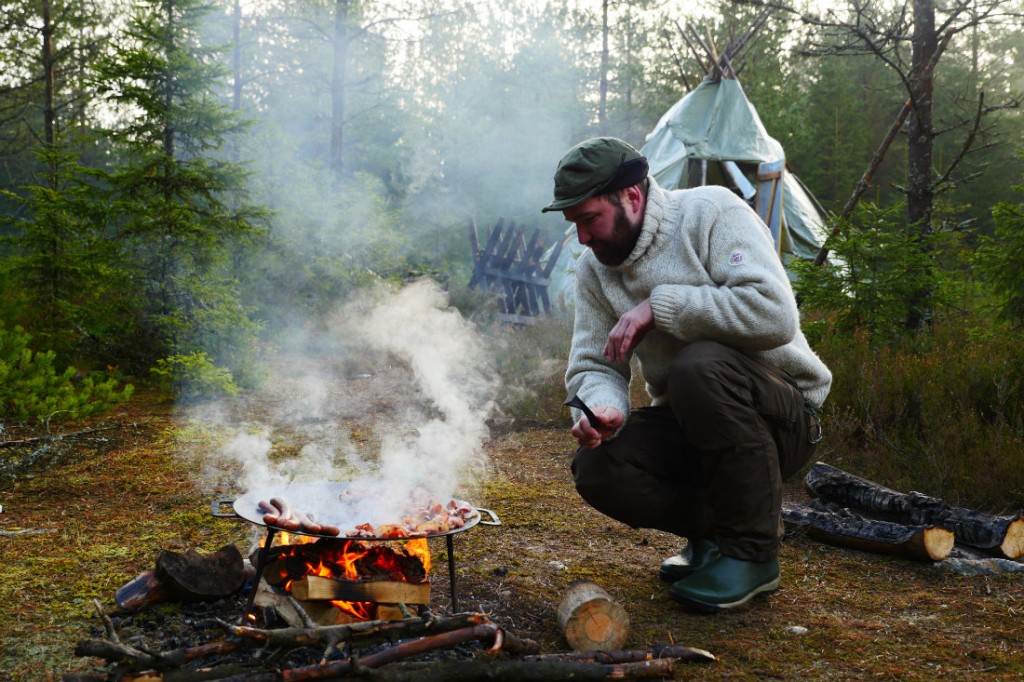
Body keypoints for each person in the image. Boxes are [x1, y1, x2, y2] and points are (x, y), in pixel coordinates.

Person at [542, 137, 831, 611]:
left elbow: (774, 314)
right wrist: (604, 407)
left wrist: (660, 306)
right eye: (574, 225)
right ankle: (713, 534)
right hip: (695, 423)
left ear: (631, 197)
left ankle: (752, 554)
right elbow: (595, 363)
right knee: (598, 467)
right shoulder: (595, 271)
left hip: (783, 417)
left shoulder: (711, 213)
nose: (583, 239)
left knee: (698, 366)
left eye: (589, 220)